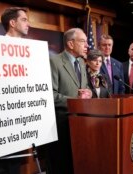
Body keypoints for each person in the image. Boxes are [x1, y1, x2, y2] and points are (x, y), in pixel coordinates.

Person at [48, 28, 92, 174]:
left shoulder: (81, 62)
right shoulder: (54, 61)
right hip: (62, 125)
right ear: (71, 44)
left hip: (80, 124)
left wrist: (88, 93)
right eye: (83, 41)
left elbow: (83, 88)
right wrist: (75, 100)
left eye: (87, 41)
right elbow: (50, 95)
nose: (87, 45)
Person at [0, 7, 29, 174]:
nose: (28, 23)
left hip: (22, 116)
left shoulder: (29, 51)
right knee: (1, 166)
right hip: (1, 118)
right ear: (12, 23)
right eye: (24, 20)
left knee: (15, 165)